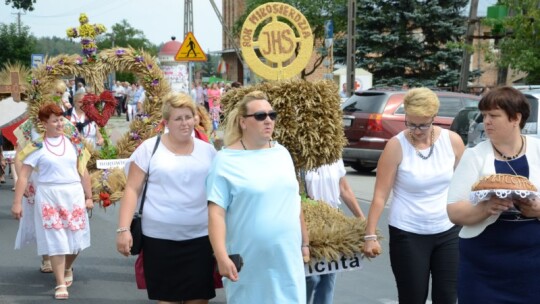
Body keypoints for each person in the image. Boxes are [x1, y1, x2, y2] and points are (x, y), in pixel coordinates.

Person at [362, 87, 464, 304]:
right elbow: (380, 195)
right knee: (413, 298)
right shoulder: (396, 146)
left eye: (423, 125)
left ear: (434, 118)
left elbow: (463, 187)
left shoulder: (453, 142)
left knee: (447, 297)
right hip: (408, 232)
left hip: (447, 231)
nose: (417, 130)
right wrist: (370, 235)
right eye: (411, 123)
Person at [206, 90, 309, 303]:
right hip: (250, 261)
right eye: (260, 116)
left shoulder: (282, 153)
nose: (268, 121)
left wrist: (305, 243)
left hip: (287, 259)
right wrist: (221, 256)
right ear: (243, 122)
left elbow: (294, 201)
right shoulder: (225, 160)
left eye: (272, 115)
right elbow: (215, 213)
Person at [116, 92, 217, 303]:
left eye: (188, 117)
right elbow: (132, 189)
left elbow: (217, 194)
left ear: (195, 118)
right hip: (159, 239)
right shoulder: (149, 148)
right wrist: (124, 229)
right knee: (167, 299)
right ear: (166, 122)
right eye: (177, 118)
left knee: (199, 299)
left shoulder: (209, 151)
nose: (184, 123)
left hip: (200, 238)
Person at [447, 86, 540, 303]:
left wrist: (537, 209)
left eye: (494, 116)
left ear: (516, 118)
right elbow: (454, 211)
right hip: (483, 266)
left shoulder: (538, 150)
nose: (486, 121)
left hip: (532, 266)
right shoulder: (474, 156)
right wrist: (485, 208)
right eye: (485, 115)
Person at [11, 103, 93, 300]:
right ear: (44, 123)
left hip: (72, 194)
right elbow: (23, 176)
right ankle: (60, 283)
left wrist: (89, 196)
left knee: (78, 239)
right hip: (48, 195)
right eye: (55, 120)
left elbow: (83, 170)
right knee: (56, 239)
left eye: (61, 119)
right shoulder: (37, 146)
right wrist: (17, 203)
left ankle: (67, 267)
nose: (59, 124)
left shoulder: (74, 143)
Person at [304, 159, 365, 304]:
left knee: (328, 278)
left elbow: (344, 189)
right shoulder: (299, 156)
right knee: (310, 278)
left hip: (333, 224)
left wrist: (363, 220)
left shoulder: (335, 157)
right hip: (308, 225)